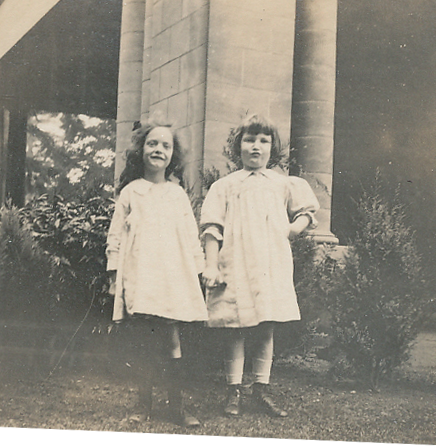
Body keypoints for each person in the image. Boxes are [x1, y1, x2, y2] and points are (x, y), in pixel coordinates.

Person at [200, 114, 320, 418]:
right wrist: (211, 265)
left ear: (272, 148)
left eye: (264, 141)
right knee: (236, 326)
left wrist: (294, 228)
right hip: (236, 262)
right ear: (238, 146)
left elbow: (307, 211)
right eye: (249, 139)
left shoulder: (282, 185)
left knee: (267, 326)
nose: (256, 146)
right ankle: (234, 391)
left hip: (270, 263)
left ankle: (261, 389)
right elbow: (212, 228)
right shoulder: (225, 186)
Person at [106, 119, 207, 427]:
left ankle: (177, 406)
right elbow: (116, 236)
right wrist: (113, 275)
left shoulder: (177, 195)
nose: (158, 150)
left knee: (172, 335)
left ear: (173, 155)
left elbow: (191, 236)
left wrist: (200, 272)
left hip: (171, 277)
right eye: (153, 143)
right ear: (141, 150)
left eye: (166, 145)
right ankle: (142, 405)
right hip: (140, 275)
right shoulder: (131, 193)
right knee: (143, 340)